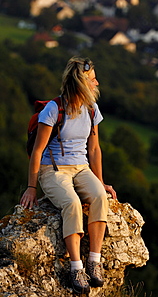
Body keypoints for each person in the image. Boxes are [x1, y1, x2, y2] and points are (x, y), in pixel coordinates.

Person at [20, 56, 117, 294]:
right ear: (81, 84)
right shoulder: (54, 109)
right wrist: (32, 187)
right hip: (52, 170)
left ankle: (94, 261)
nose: (97, 84)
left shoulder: (92, 110)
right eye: (92, 80)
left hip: (81, 167)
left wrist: (101, 182)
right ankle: (76, 267)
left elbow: (94, 149)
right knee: (72, 203)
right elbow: (37, 150)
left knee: (99, 198)